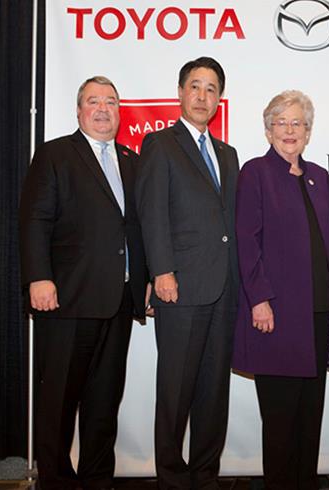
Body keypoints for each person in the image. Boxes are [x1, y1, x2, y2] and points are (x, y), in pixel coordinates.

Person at [19, 76, 148, 489]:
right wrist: (39, 278)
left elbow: (136, 229)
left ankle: (97, 480)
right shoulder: (56, 154)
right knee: (58, 403)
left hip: (119, 302)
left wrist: (142, 281)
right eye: (94, 101)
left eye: (111, 101)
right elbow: (35, 221)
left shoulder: (131, 160)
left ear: (119, 111)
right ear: (79, 110)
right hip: (68, 301)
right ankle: (55, 481)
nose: (103, 108)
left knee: (104, 404)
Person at [135, 57, 240, 489]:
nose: (203, 96)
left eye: (211, 88)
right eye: (195, 86)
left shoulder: (229, 154)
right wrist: (162, 271)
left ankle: (205, 475)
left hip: (223, 290)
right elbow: (151, 212)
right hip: (179, 288)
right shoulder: (160, 145)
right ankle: (172, 479)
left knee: (213, 393)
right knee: (175, 392)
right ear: (180, 93)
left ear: (219, 99)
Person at [231, 90, 329, 490]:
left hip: (315, 316)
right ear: (267, 129)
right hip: (275, 316)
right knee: (280, 420)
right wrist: (259, 298)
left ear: (309, 132)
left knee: (310, 414)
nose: (290, 130)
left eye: (298, 123)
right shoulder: (255, 173)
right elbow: (247, 240)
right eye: (282, 122)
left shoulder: (319, 177)